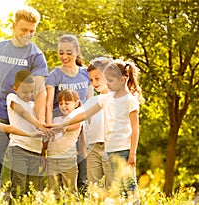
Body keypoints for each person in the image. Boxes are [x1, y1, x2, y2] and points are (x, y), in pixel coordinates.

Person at [53, 59, 144, 203]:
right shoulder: (102, 98)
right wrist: (61, 124)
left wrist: (132, 153)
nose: (97, 83)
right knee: (107, 188)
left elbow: (135, 128)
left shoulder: (127, 99)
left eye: (100, 79)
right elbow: (83, 114)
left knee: (125, 187)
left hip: (122, 149)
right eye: (91, 79)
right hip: (104, 149)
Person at [0, 5, 48, 187]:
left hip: (22, 118)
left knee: (23, 169)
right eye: (24, 30)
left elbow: (41, 89)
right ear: (13, 26)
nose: (28, 34)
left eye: (32, 31)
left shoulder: (37, 55)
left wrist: (40, 120)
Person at [44, 34, 93, 192]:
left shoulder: (86, 74)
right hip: (62, 131)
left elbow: (90, 102)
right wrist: (48, 128)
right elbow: (48, 102)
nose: (64, 56)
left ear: (77, 51)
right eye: (61, 52)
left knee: (82, 175)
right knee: (60, 179)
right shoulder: (54, 75)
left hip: (82, 129)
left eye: (68, 53)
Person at [6, 70, 52, 199]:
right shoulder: (12, 98)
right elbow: (22, 113)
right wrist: (39, 125)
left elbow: (43, 114)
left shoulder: (34, 105)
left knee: (32, 188)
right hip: (19, 148)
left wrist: (43, 151)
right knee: (18, 186)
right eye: (25, 92)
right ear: (15, 89)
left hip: (35, 150)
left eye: (32, 92)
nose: (29, 95)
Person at [46, 89, 83, 201]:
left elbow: (72, 126)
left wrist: (56, 128)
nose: (63, 106)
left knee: (71, 191)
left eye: (67, 103)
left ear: (76, 104)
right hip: (52, 159)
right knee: (53, 192)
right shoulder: (56, 119)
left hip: (67, 159)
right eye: (61, 103)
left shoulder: (76, 119)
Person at [86, 58, 113, 189]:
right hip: (93, 147)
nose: (94, 83)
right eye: (91, 80)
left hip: (111, 147)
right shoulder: (92, 101)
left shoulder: (116, 97)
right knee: (93, 187)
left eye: (97, 78)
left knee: (112, 187)